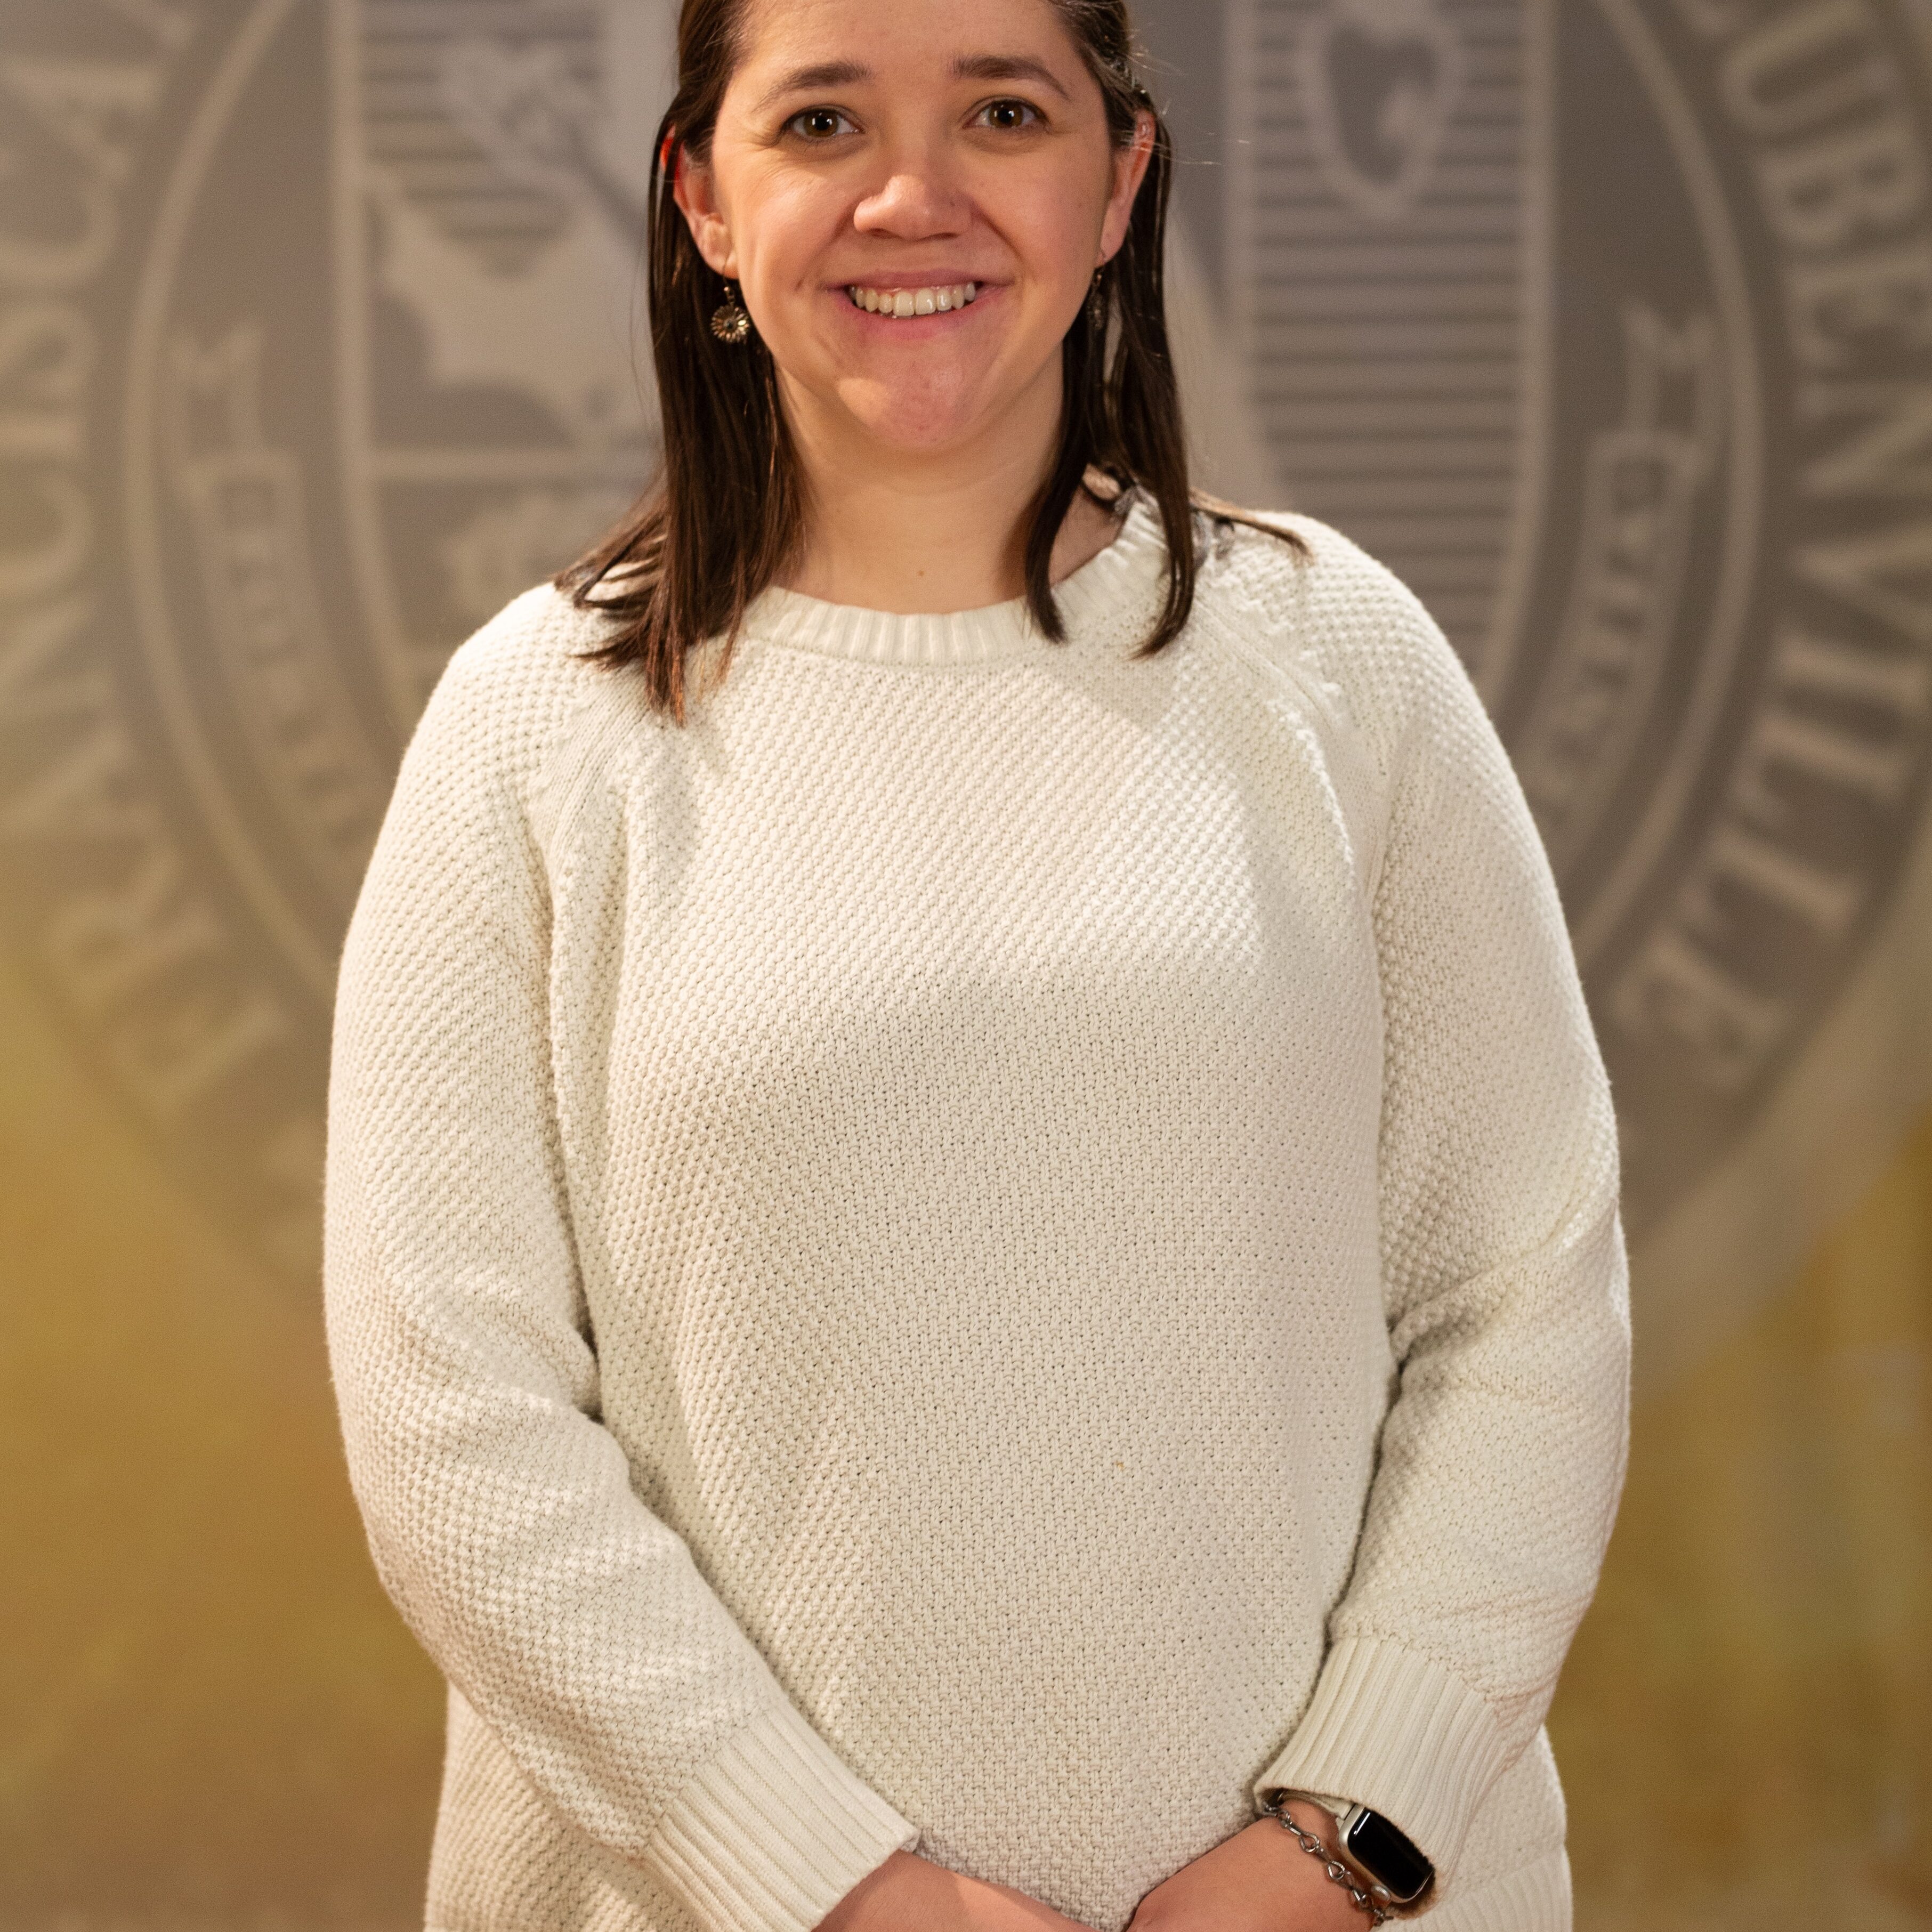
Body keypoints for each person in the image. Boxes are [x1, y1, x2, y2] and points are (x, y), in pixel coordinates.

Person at [322, 0, 1631, 1927]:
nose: (909, 197)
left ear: (1121, 178)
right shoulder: (533, 733)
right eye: (823, 120)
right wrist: (843, 1892)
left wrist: (1344, 1834)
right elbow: (452, 1417)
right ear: (702, 196)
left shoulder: (1339, 666)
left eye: (1001, 111)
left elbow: (1525, 1293)